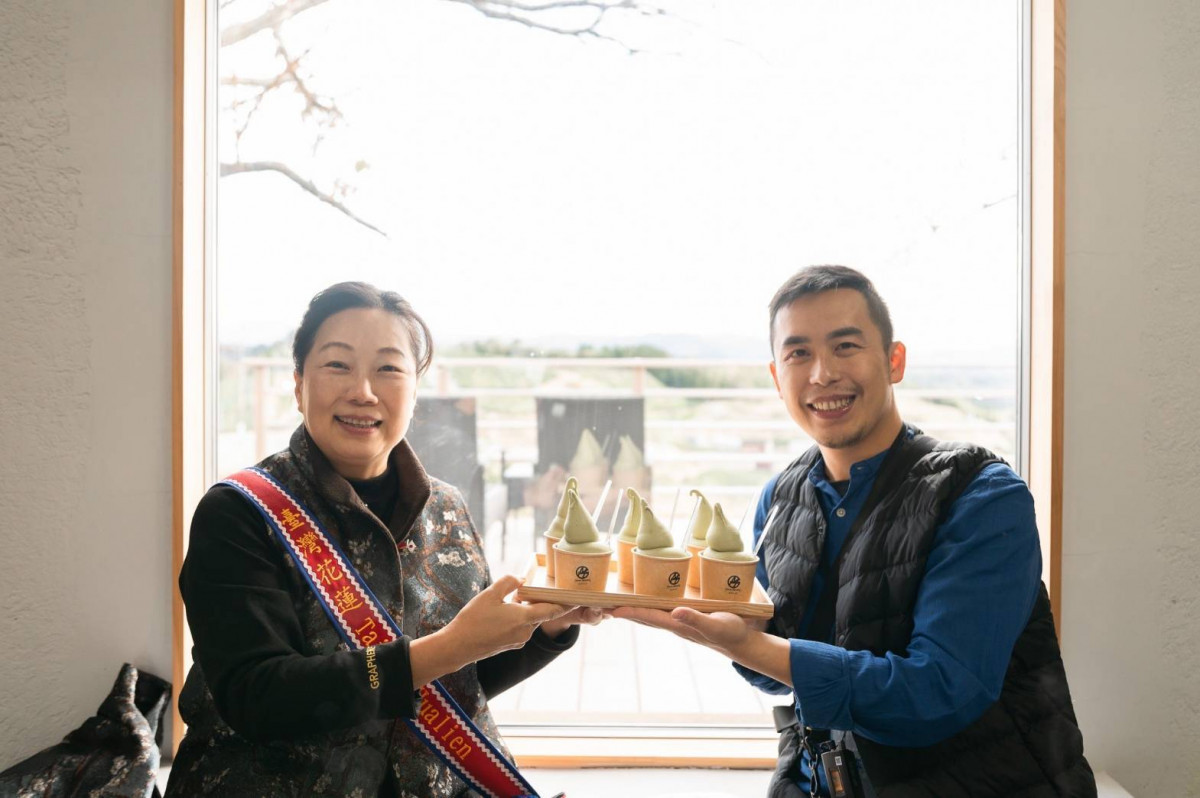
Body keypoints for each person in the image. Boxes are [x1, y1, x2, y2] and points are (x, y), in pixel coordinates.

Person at [616, 266, 1095, 797]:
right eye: (798, 353)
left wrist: (749, 645)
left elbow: (939, 692)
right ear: (777, 378)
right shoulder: (780, 498)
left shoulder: (980, 495)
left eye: (845, 346)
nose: (822, 373)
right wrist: (732, 635)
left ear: (894, 361)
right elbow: (779, 672)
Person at [167, 282, 600, 797]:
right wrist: (446, 650)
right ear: (299, 384)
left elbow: (455, 683)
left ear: (415, 390)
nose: (364, 391)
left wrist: (547, 626)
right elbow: (255, 697)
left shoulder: (447, 507)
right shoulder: (239, 513)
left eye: (389, 369)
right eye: (337, 365)